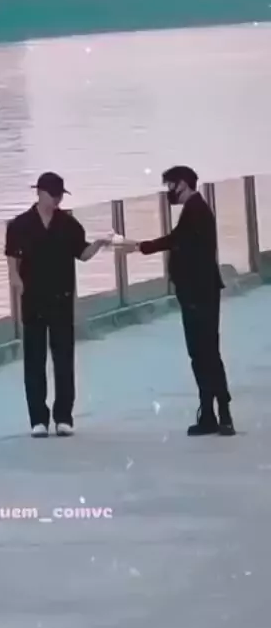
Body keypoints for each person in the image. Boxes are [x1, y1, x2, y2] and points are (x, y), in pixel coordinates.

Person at [124, 166, 235, 437]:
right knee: (207, 352)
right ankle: (214, 412)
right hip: (200, 292)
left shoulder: (195, 210)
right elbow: (179, 241)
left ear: (183, 183)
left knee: (203, 353)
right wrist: (143, 247)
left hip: (198, 294)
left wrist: (142, 247)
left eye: (171, 185)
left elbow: (176, 240)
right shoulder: (196, 210)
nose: (169, 191)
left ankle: (218, 413)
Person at [5, 172, 113, 438]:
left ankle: (64, 417)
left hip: (61, 297)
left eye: (60, 196)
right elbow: (12, 257)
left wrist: (98, 244)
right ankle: (38, 419)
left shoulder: (68, 224)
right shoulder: (20, 224)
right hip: (33, 298)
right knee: (34, 359)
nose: (57, 200)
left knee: (64, 358)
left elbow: (82, 254)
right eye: (53, 195)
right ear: (40, 193)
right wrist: (15, 279)